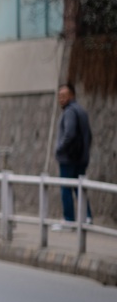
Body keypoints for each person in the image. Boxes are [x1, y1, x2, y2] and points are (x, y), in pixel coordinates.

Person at [55, 84, 92, 226]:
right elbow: (89, 135)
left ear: (72, 96)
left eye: (64, 96)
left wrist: (60, 149)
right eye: (60, 96)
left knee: (66, 188)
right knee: (80, 188)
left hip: (68, 158)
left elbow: (69, 134)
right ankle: (87, 217)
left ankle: (69, 219)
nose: (61, 99)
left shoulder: (69, 112)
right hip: (81, 158)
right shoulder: (82, 111)